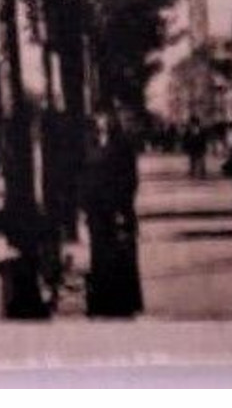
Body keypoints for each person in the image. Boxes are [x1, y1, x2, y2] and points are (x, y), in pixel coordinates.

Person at [82, 107, 144, 317]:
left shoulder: (123, 145)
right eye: (100, 116)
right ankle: (101, 302)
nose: (104, 121)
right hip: (96, 212)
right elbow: (83, 176)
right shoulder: (89, 144)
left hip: (118, 209)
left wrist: (122, 206)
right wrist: (85, 205)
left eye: (107, 116)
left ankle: (123, 303)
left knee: (120, 255)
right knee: (99, 255)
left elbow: (131, 178)